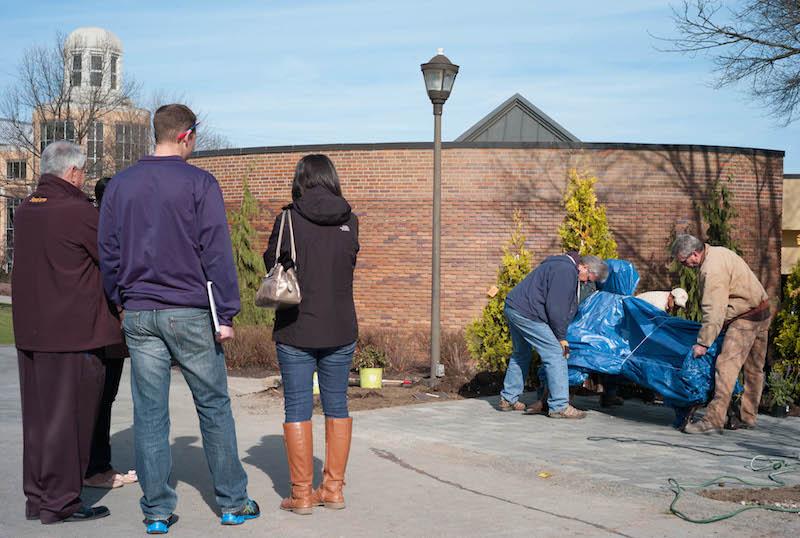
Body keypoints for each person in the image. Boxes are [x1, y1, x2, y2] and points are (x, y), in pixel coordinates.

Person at [98, 104, 259, 533]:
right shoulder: (199, 184)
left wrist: (119, 299)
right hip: (188, 312)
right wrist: (225, 312)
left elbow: (108, 252)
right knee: (213, 406)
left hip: (139, 311)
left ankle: (156, 513)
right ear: (187, 135)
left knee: (150, 415)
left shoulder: (121, 185)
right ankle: (232, 502)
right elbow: (216, 251)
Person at [12, 141, 122, 524]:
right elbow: (113, 260)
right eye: (83, 172)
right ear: (73, 173)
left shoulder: (25, 210)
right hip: (74, 335)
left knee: (39, 422)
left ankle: (38, 497)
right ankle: (61, 502)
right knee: (69, 421)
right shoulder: (78, 211)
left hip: (31, 333)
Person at [263, 154, 359, 515]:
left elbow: (272, 264)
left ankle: (301, 495)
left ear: (301, 180)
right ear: (331, 178)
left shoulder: (288, 218)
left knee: (298, 407)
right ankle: (333, 490)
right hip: (341, 327)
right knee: (338, 407)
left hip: (296, 328)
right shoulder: (351, 219)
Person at [672, 234, 770, 434]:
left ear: (695, 254)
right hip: (762, 310)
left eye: (684, 261)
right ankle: (747, 417)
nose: (685, 266)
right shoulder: (718, 252)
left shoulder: (711, 269)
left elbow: (714, 310)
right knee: (754, 369)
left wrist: (703, 343)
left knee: (726, 366)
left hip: (746, 317)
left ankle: (713, 420)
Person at [498, 252, 609, 418]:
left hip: (514, 307)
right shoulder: (566, 271)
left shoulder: (561, 265)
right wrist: (561, 337)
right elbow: (556, 308)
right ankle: (559, 406)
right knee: (556, 354)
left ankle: (508, 398)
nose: (585, 281)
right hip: (528, 313)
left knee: (521, 353)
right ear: (584, 267)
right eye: (589, 277)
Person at [83, 177, 137, 490]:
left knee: (96, 400)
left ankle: (92, 464)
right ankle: (96, 467)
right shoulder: (110, 230)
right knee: (102, 400)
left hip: (95, 328)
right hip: (108, 329)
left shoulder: (91, 224)